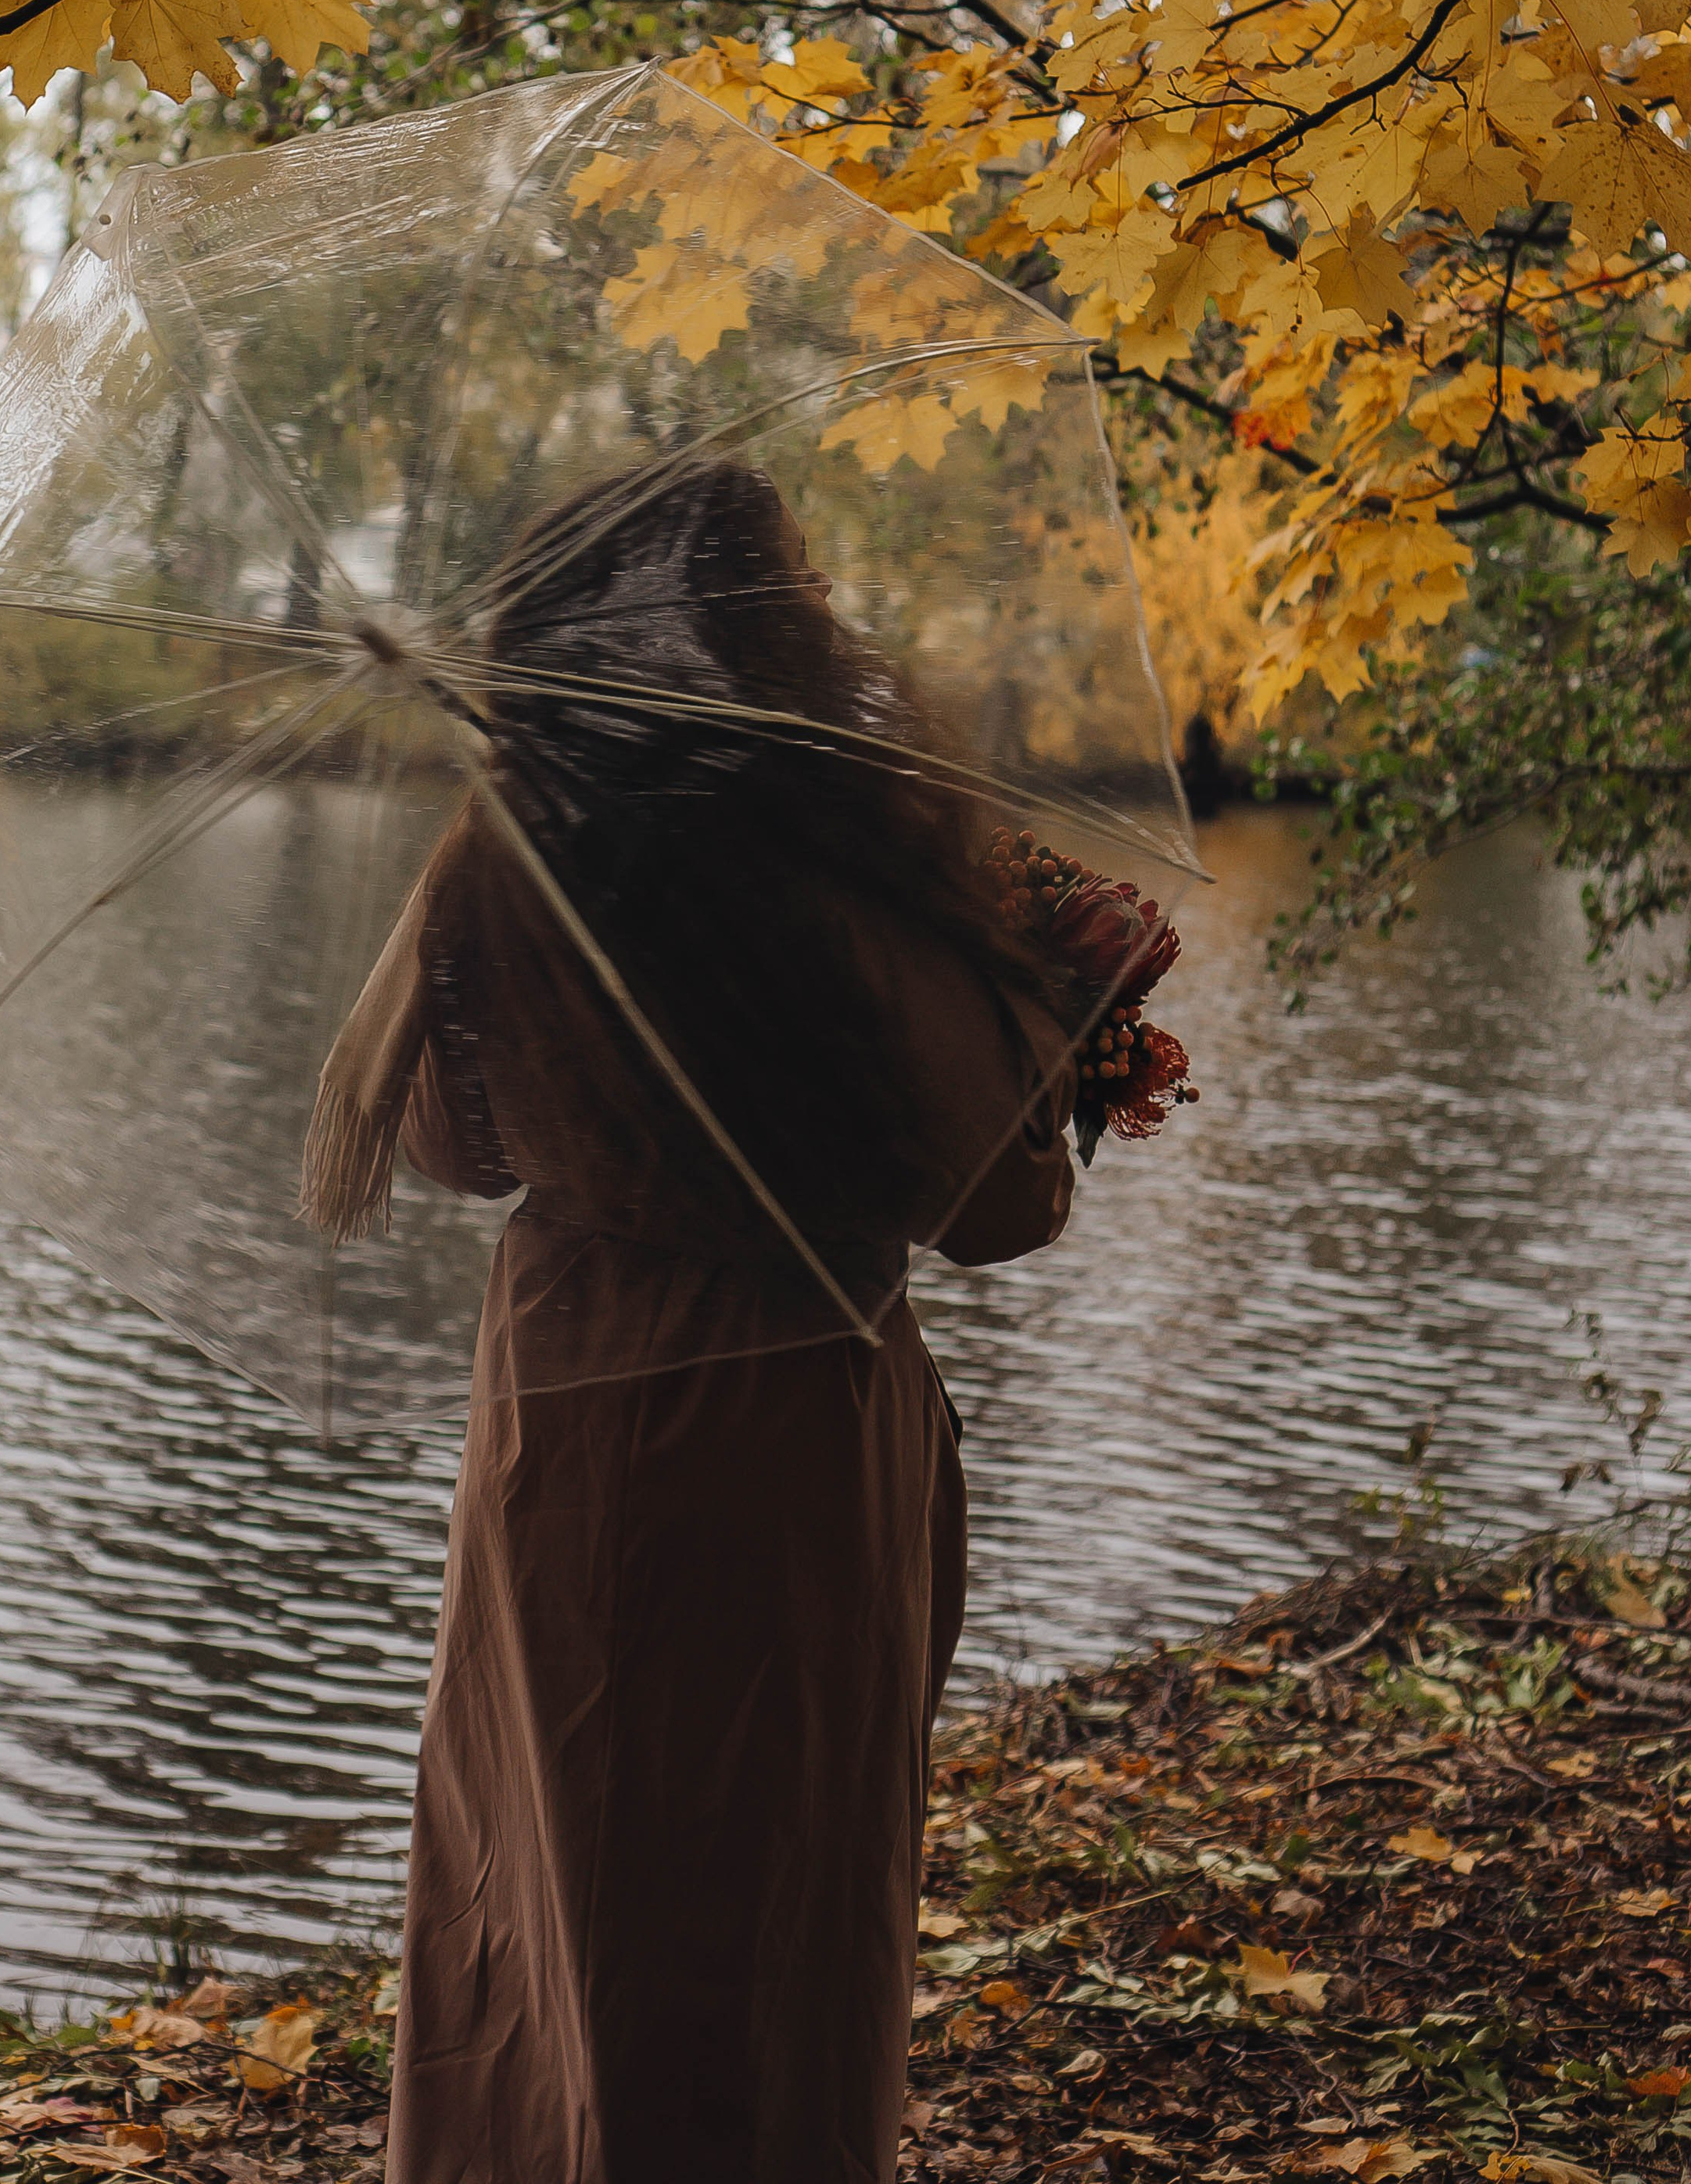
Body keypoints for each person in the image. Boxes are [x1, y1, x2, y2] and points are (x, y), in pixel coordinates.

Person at [301, 458, 1078, 2184]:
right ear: (761, 630)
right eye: (798, 582)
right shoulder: (852, 867)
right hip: (791, 1430)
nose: (827, 604)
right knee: (768, 1907)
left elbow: (442, 1146)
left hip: (565, 1423)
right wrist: (1043, 1029)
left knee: (545, 1880)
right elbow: (997, 1212)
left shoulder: (502, 864)